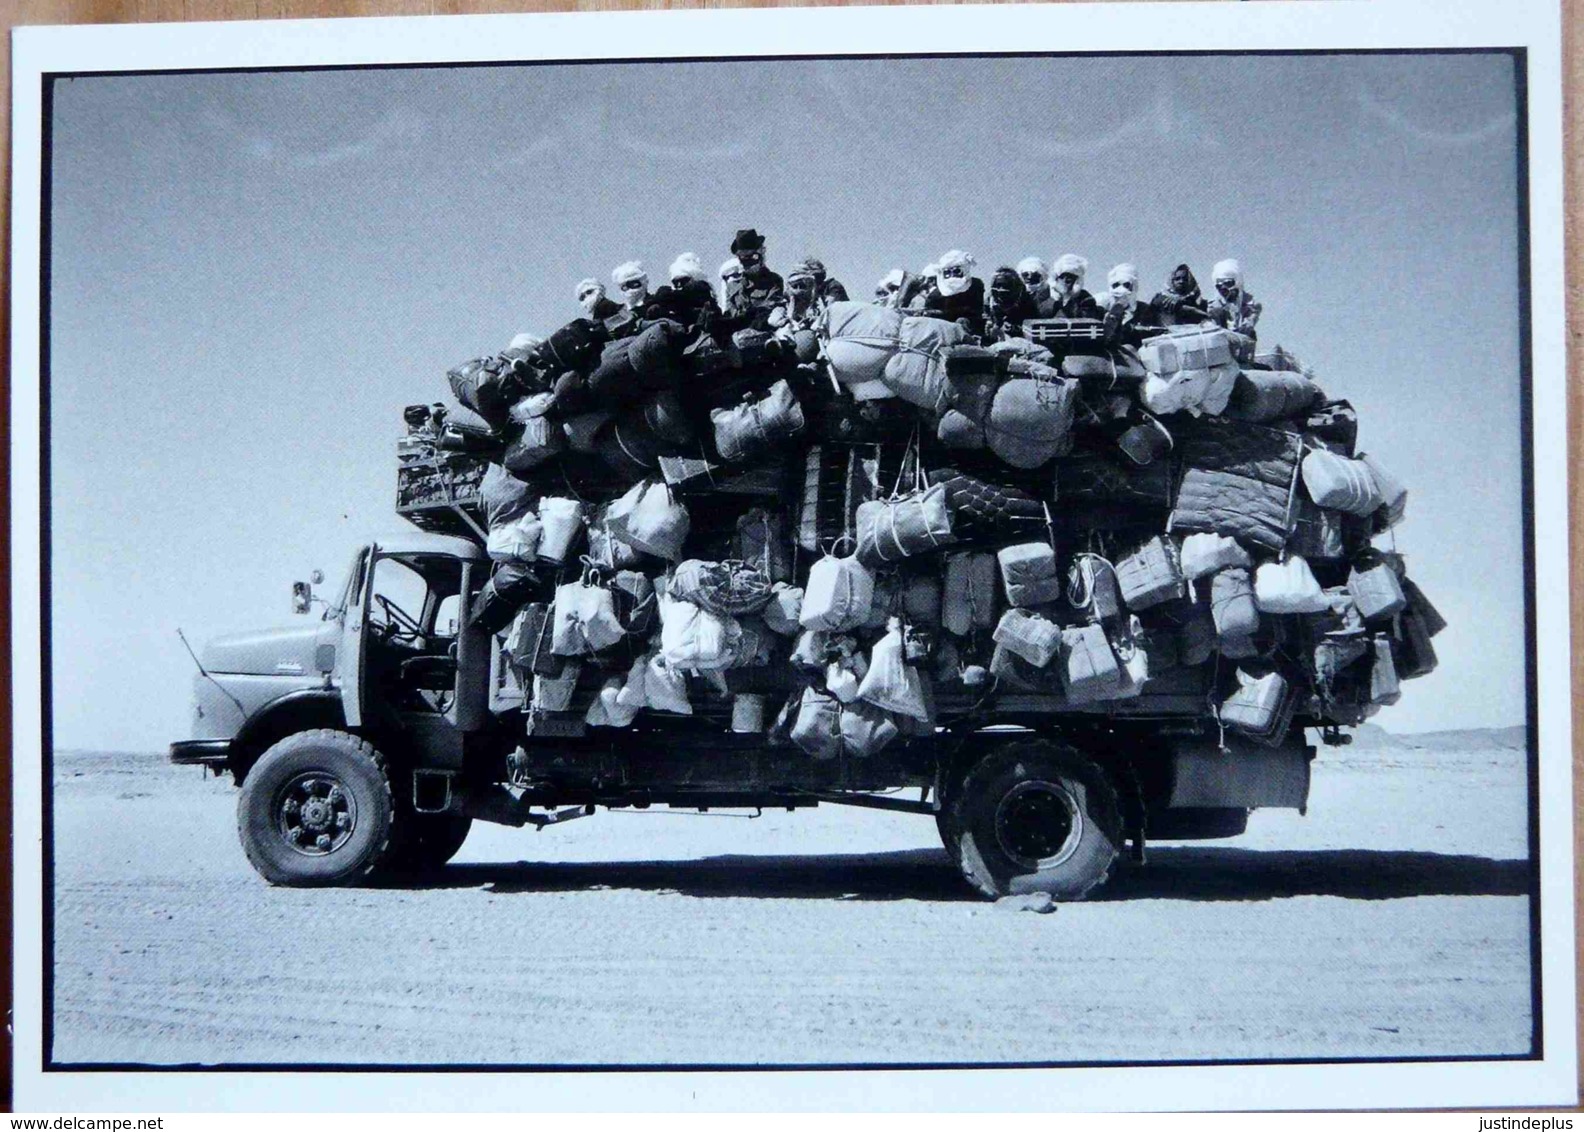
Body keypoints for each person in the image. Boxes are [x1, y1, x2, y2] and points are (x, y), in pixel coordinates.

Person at [721, 228, 787, 332]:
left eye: (752, 257)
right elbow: (729, 312)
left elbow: (770, 307)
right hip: (737, 338)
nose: (748, 263)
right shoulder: (732, 286)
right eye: (742, 258)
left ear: (761, 255)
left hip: (764, 336)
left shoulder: (774, 281)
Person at [645, 251, 719, 333]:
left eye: (683, 280)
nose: (679, 285)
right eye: (675, 282)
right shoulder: (673, 299)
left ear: (694, 278)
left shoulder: (702, 294)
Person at [923, 249, 985, 335]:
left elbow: (976, 310)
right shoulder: (935, 294)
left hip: (970, 329)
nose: (952, 275)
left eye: (956, 271)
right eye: (947, 272)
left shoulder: (975, 285)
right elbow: (928, 314)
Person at [1100, 262, 1161, 346]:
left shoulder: (1145, 310)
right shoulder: (1101, 309)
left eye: (1126, 285)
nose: (1120, 289)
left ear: (1134, 286)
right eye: (1116, 285)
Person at [1207, 258, 1263, 339]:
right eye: (1219, 286)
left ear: (1237, 282)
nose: (1224, 288)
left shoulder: (1251, 303)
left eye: (1228, 283)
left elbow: (1248, 326)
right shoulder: (1213, 307)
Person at [984, 266, 1038, 341]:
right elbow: (986, 317)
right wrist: (989, 324)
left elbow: (1033, 327)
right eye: (999, 285)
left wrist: (1013, 328)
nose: (1001, 289)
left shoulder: (1028, 302)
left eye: (1005, 285)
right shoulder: (989, 301)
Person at [1049, 253, 1102, 319]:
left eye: (1070, 277)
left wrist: (1066, 296)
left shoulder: (1086, 299)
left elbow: (1085, 322)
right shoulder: (1049, 298)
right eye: (1062, 276)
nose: (1066, 280)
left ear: (1077, 280)